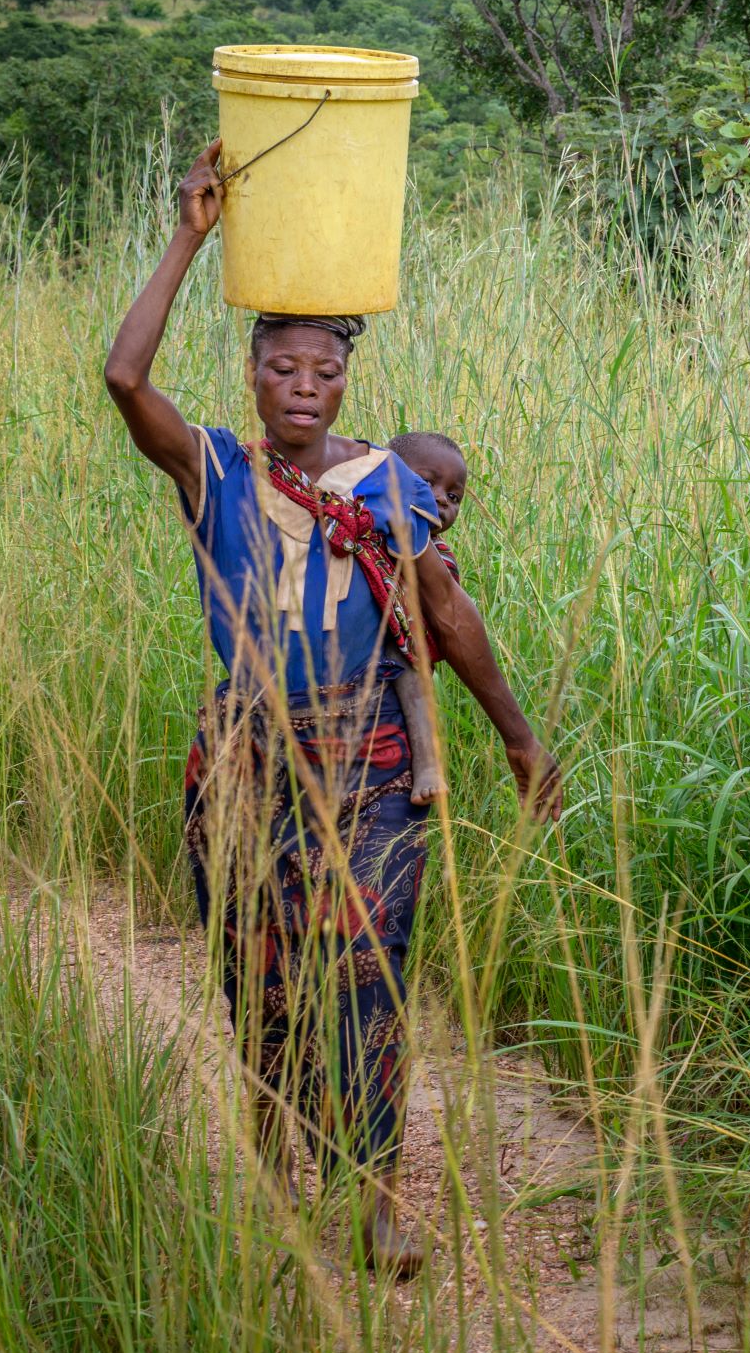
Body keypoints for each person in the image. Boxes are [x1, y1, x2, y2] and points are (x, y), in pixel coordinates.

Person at [101, 141, 561, 1277]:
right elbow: (122, 380)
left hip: (370, 757)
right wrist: (190, 234)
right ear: (252, 378)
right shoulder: (211, 468)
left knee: (366, 977)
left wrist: (517, 738)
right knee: (259, 975)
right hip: (248, 756)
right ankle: (275, 1160)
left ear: (344, 380)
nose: (304, 389)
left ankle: (372, 1197)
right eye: (282, 372)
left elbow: (444, 615)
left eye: (323, 372)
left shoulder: (384, 487)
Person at [383, 431, 468, 807]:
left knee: (411, 680)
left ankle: (429, 765)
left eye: (453, 497)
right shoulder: (362, 522)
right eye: (426, 482)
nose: (440, 499)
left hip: (404, 653)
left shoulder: (439, 554)